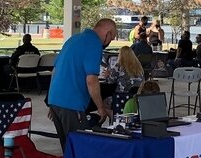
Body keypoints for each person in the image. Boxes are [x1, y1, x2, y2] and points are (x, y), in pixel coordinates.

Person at [48, 18, 117, 150]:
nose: (110, 41)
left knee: (68, 148)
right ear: (108, 33)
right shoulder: (94, 44)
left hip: (55, 101)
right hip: (72, 104)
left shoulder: (73, 39)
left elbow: (55, 71)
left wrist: (52, 100)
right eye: (112, 37)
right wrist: (100, 107)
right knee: (81, 148)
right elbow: (91, 80)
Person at [106, 46, 145, 113]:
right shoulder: (138, 66)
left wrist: (108, 75)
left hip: (121, 97)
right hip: (136, 97)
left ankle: (114, 118)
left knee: (103, 103)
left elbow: (110, 82)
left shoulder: (118, 66)